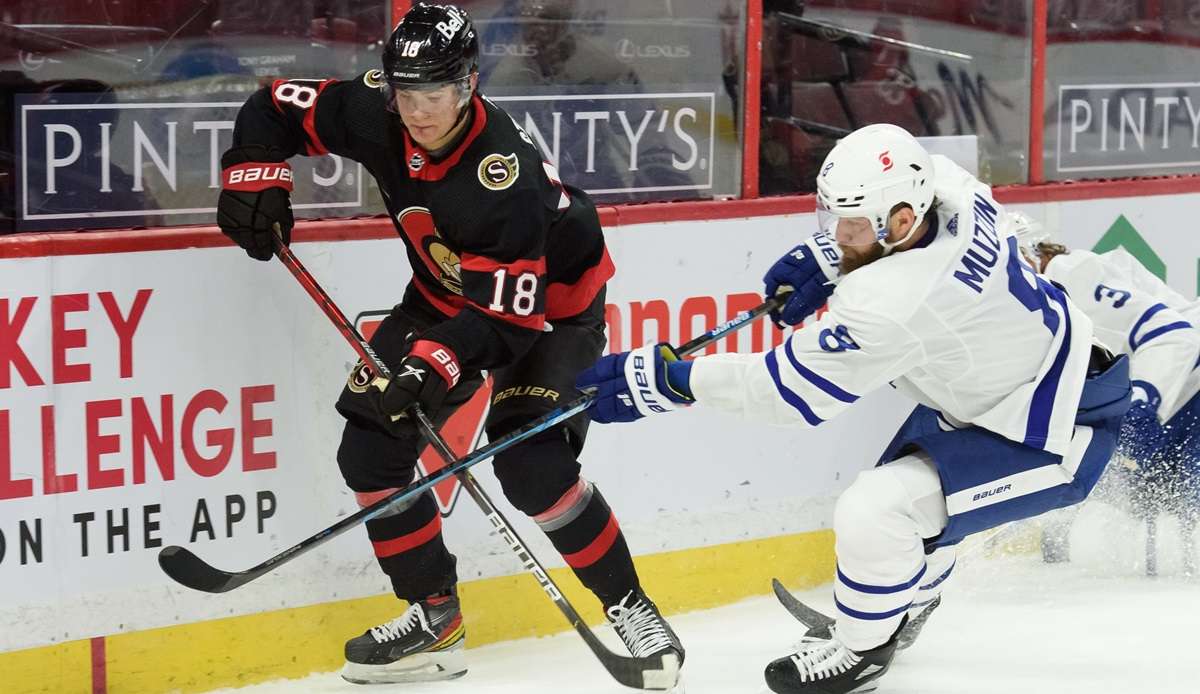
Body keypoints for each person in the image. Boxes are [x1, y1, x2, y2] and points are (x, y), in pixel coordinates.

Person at [215, 3, 683, 686]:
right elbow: (274, 107)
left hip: (547, 315)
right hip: (446, 298)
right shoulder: (377, 109)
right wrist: (255, 177)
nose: (420, 110)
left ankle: (631, 606)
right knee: (371, 446)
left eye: (435, 92)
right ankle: (435, 620)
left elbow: (507, 324)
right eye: (407, 92)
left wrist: (433, 361)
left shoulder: (504, 176)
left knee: (531, 464)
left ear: (468, 84)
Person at [575, 123, 1131, 694]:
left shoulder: (897, 301)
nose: (840, 232)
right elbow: (931, 180)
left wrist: (668, 381)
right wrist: (831, 256)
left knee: (878, 511)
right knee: (917, 499)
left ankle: (863, 650)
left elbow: (786, 390)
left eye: (856, 225)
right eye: (832, 219)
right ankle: (911, 599)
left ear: (903, 222)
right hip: (1020, 385)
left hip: (1056, 430)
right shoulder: (950, 189)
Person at [1013, 213, 1200, 572]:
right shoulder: (1038, 308)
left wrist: (1141, 406)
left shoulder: (1067, 276)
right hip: (1178, 399)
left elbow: (1175, 335)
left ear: (1030, 255)